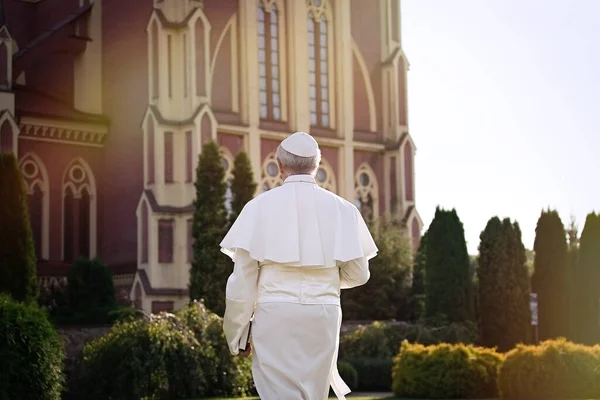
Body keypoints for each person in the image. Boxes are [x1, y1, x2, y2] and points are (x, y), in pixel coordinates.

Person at [221, 132, 377, 400]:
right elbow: (359, 274)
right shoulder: (345, 210)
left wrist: (237, 335)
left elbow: (242, 281)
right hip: (324, 315)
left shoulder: (257, 207)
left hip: (274, 315)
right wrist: (323, 279)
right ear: (316, 166)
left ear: (280, 167)